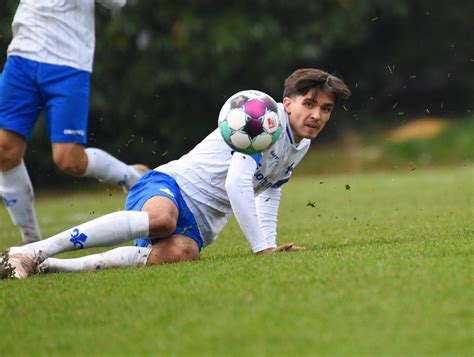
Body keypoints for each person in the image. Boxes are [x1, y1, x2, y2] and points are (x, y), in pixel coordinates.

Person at [0, 68, 351, 279]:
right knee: (162, 219)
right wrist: (261, 250)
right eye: (309, 104)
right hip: (169, 185)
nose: (317, 115)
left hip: (199, 226)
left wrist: (271, 246)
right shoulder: (262, 120)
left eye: (326, 109)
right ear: (286, 103)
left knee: (182, 254)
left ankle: (55, 267)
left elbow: (271, 189)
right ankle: (32, 251)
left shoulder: (300, 143)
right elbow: (236, 183)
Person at [0, 0, 147, 246]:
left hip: (68, 62)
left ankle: (133, 177)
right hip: (22, 55)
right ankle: (30, 241)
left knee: (69, 159)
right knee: (4, 149)